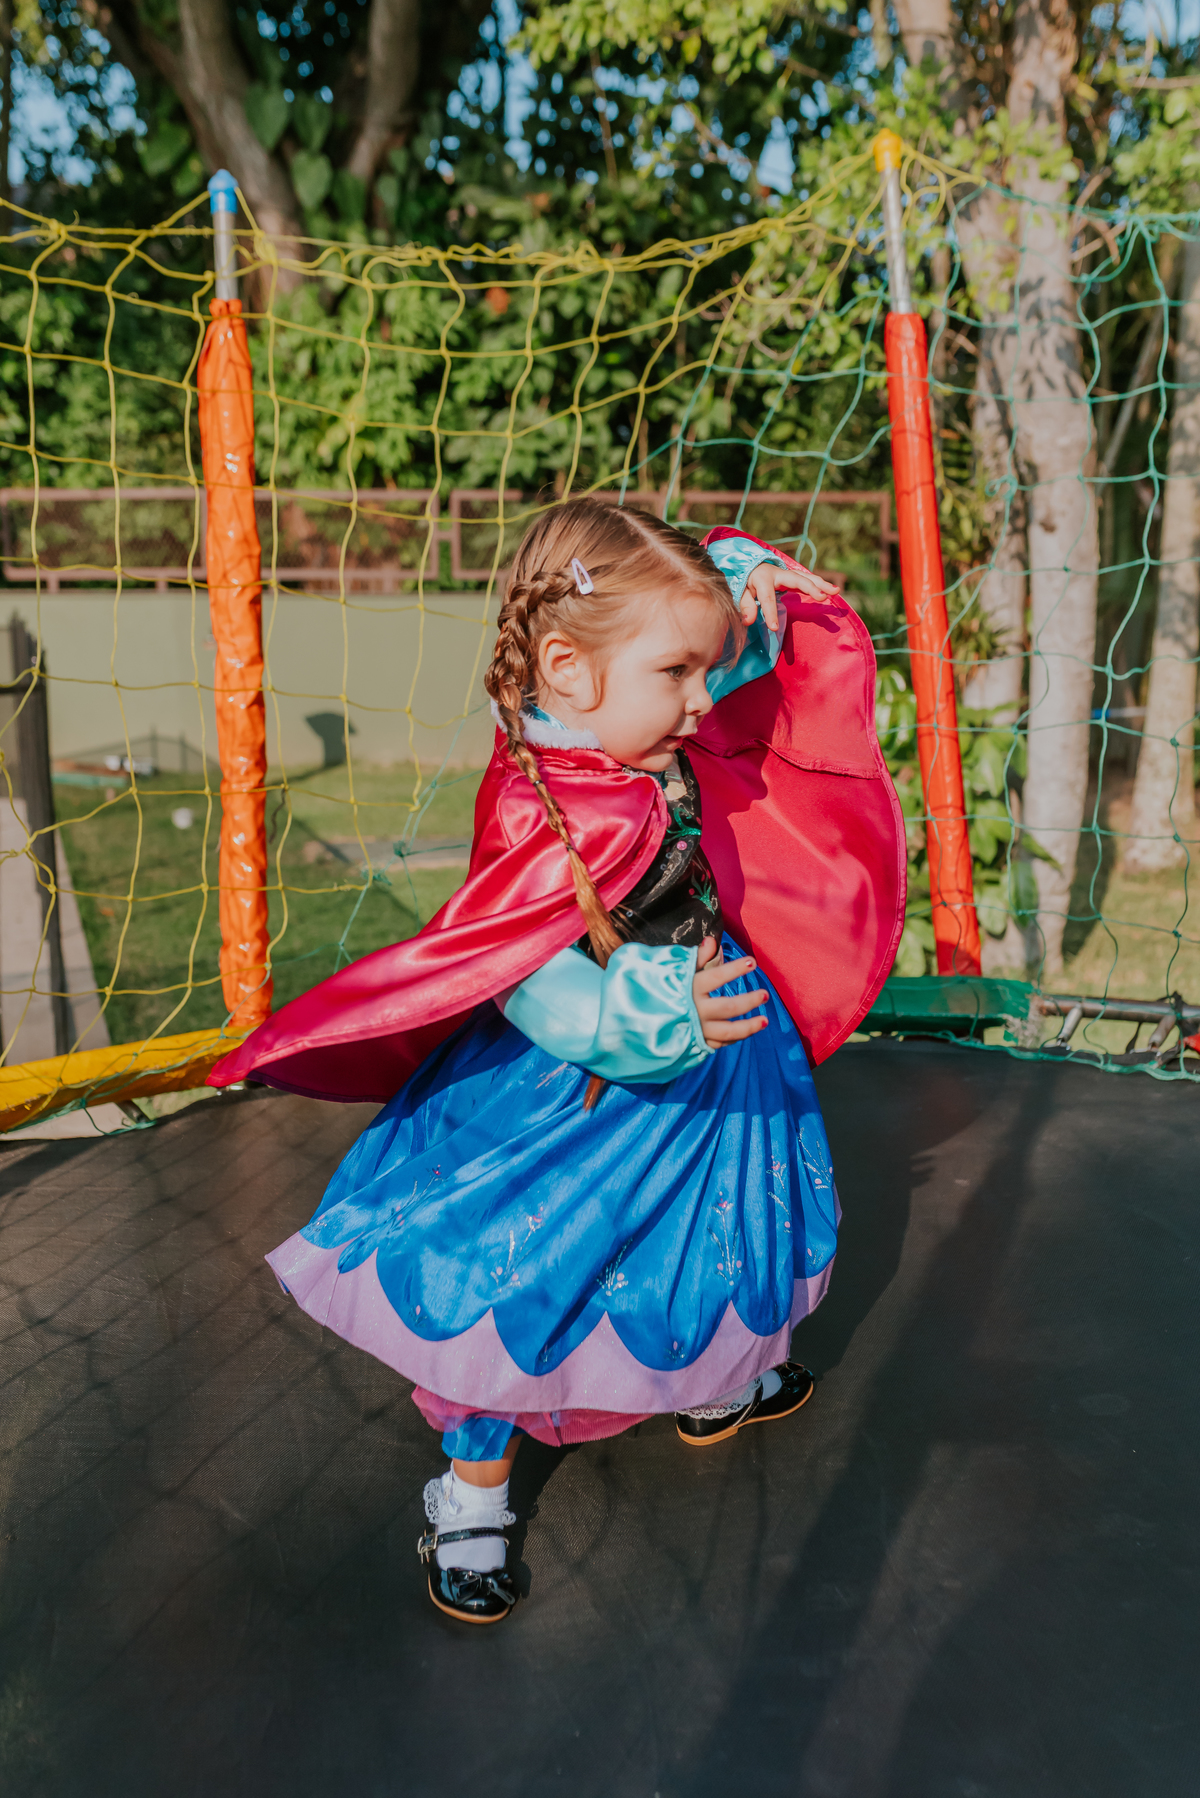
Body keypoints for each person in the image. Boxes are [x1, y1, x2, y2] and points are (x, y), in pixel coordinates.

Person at [210, 497, 905, 1626]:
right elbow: (528, 975)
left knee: (714, 1232)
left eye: (702, 670)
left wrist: (746, 593)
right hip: (577, 1090)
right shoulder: (547, 804)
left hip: (712, 1062)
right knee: (518, 1283)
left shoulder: (620, 713)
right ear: (568, 669)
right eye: (678, 672)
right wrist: (650, 1010)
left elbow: (718, 665)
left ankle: (717, 1374)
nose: (700, 697)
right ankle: (472, 1498)